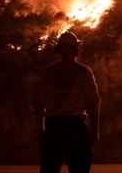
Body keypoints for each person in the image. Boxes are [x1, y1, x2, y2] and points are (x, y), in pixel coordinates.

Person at [32, 32, 100, 173]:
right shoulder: (84, 72)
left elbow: (38, 105)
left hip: (53, 128)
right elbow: (93, 105)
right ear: (76, 50)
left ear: (59, 51)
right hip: (76, 128)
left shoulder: (47, 73)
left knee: (49, 170)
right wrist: (95, 131)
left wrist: (40, 131)